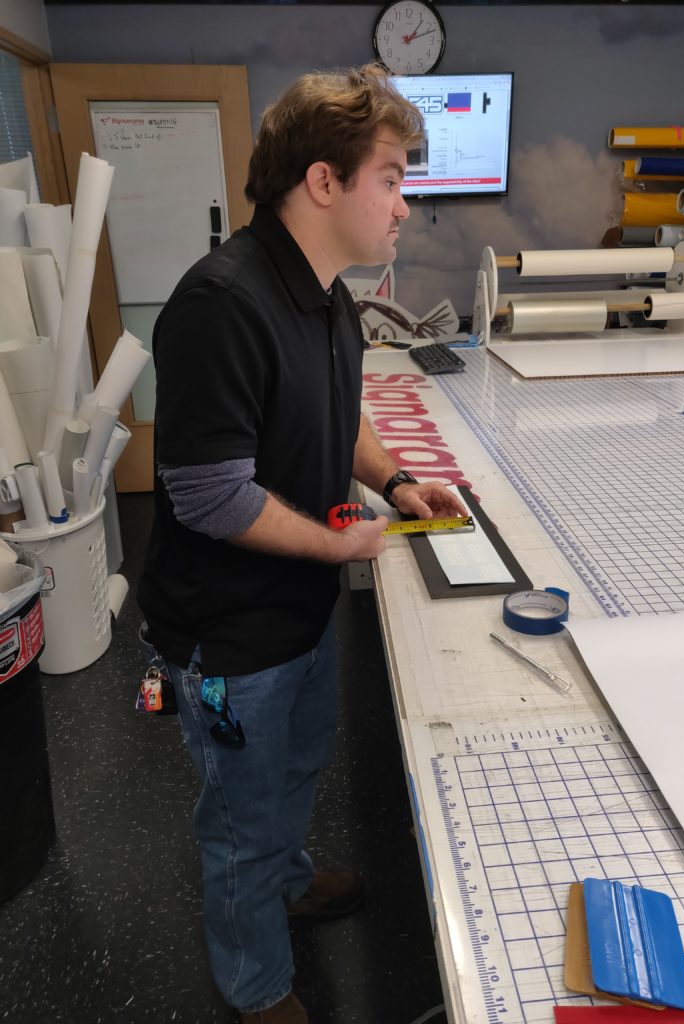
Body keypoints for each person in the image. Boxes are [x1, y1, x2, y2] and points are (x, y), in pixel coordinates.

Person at [137, 64, 465, 1024]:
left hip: (299, 614)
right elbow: (207, 496)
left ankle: (287, 881)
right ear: (323, 182)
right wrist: (345, 549)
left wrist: (395, 483)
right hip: (226, 641)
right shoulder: (220, 303)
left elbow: (340, 413)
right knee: (237, 818)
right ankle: (256, 983)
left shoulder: (328, 295)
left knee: (288, 775)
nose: (405, 205)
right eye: (394, 177)